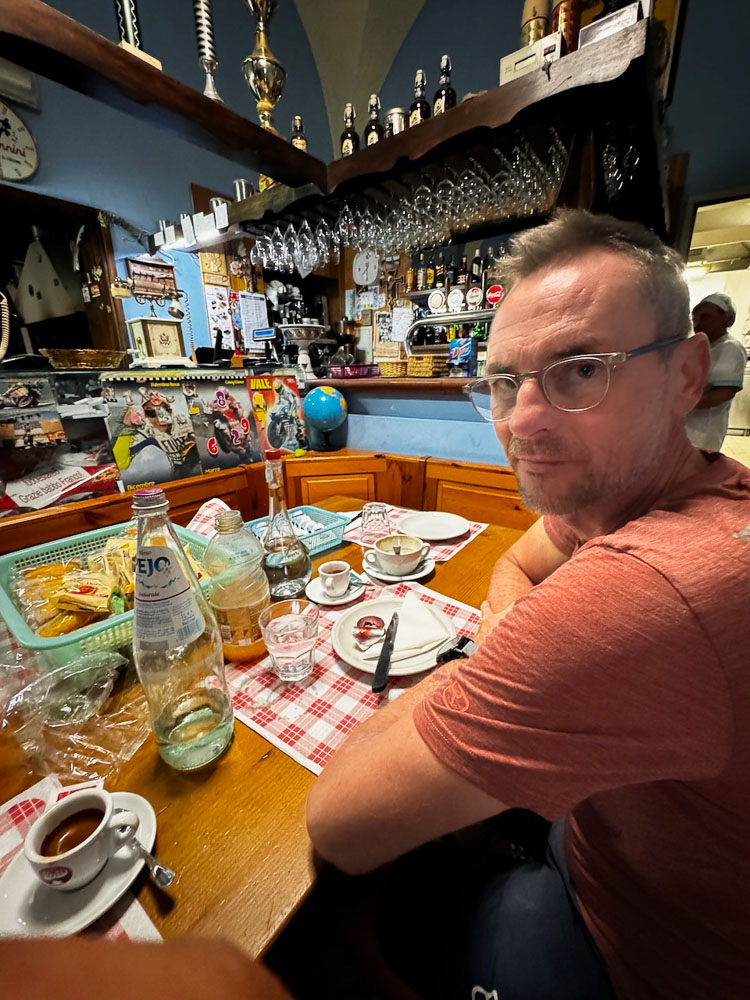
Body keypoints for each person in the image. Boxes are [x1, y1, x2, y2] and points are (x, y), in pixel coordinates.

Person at [306, 210, 750, 1000]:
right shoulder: (648, 491)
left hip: (634, 955)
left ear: (687, 375)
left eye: (580, 370)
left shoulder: (656, 585)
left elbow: (338, 823)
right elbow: (523, 556)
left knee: (347, 923)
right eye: (506, 383)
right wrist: (512, 644)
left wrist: (505, 666)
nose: (524, 421)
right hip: (590, 846)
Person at [684, 292, 746, 451]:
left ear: (727, 319)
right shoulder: (700, 348)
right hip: (685, 428)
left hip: (703, 433)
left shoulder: (730, 348)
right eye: (695, 319)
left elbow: (723, 393)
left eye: (706, 317)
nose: (698, 323)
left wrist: (678, 405)